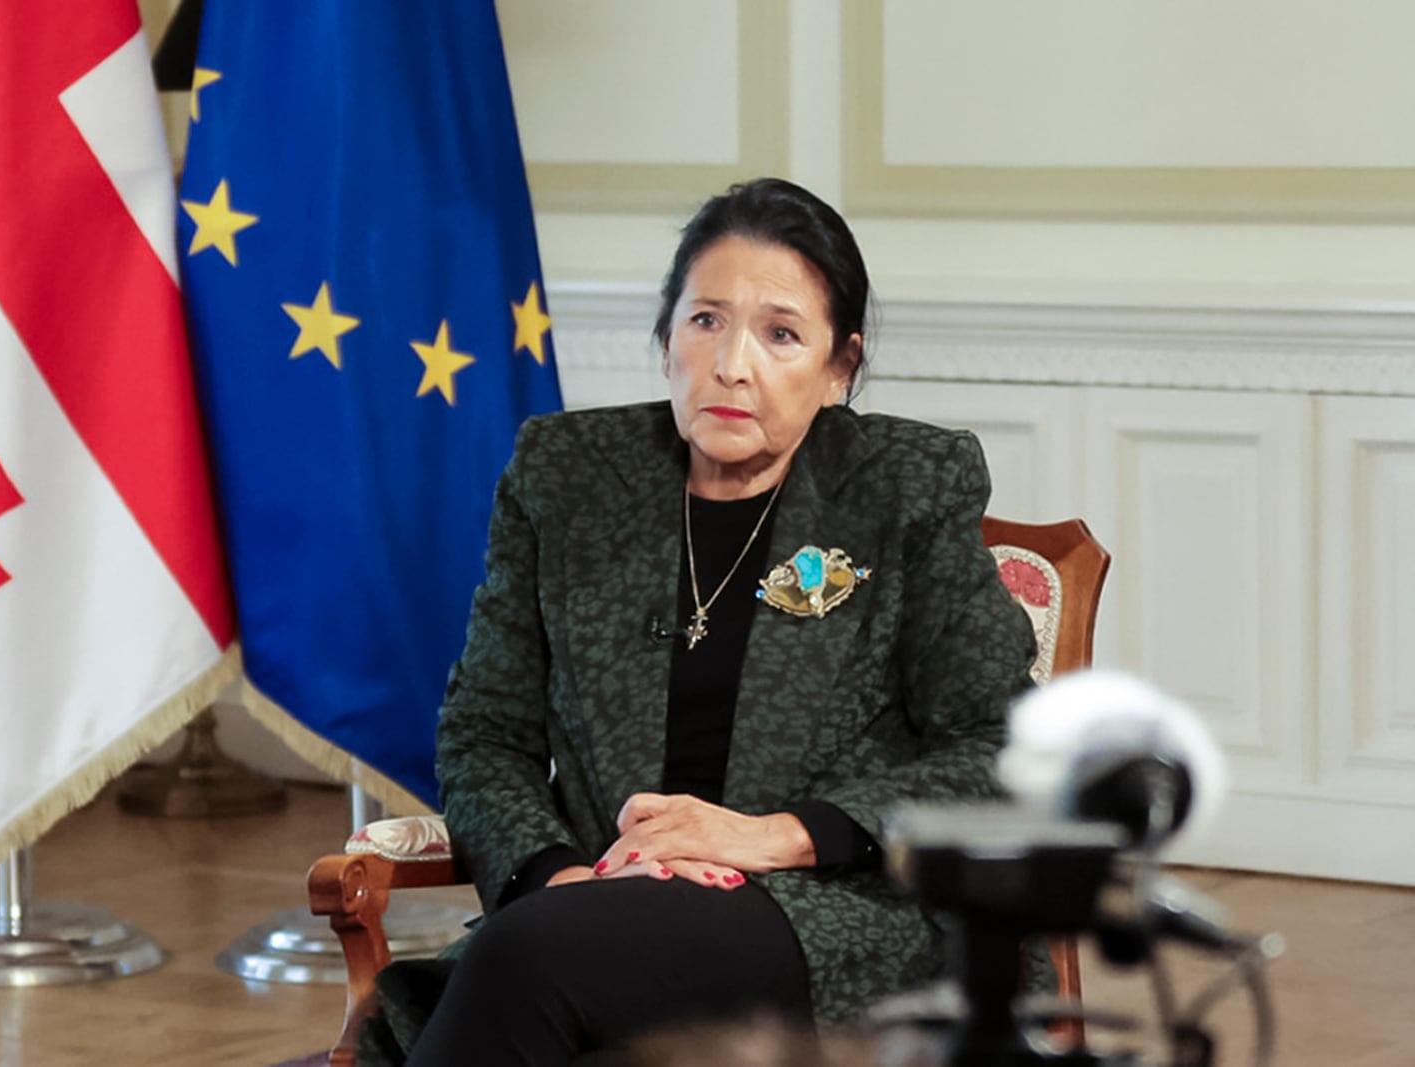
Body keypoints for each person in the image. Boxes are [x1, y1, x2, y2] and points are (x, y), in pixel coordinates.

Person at [364, 177, 1038, 1065]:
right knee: (549, 966)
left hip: (834, 913)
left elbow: (999, 746)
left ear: (839, 368)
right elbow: (485, 733)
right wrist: (558, 879)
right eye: (706, 320)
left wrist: (769, 836)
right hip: (599, 909)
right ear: (666, 335)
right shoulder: (564, 477)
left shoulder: (906, 485)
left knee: (527, 965)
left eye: (782, 334)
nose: (732, 365)